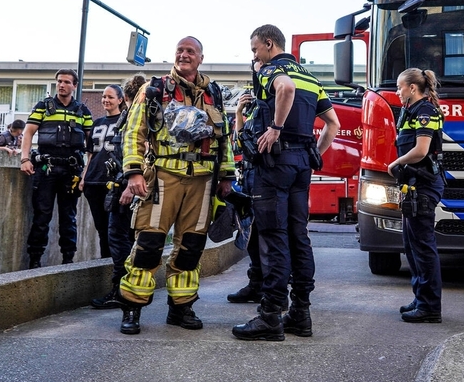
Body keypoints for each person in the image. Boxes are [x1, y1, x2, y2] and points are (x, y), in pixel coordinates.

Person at [118, 37, 235, 334]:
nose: (184, 55)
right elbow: (134, 132)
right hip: (162, 177)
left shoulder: (214, 93)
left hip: (203, 181)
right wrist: (133, 174)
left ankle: (181, 308)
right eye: (180, 51)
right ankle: (132, 307)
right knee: (149, 244)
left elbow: (224, 141)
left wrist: (226, 177)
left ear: (200, 58)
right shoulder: (154, 89)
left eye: (190, 51)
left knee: (191, 247)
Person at [232, 25, 339, 341]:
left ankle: (270, 317)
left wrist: (276, 128)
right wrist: (312, 154)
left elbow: (286, 89)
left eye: (255, 50)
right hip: (301, 164)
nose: (255, 56)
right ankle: (300, 314)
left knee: (273, 237)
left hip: (274, 165)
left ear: (268, 44)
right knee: (299, 234)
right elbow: (332, 123)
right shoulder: (311, 76)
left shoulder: (272, 70)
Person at [387, 68, 445, 323]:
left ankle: (430, 307)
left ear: (412, 88)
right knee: (411, 246)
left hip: (424, 184)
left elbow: (421, 150)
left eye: (400, 87)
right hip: (414, 185)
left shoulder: (425, 111)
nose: (397, 92)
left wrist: (395, 163)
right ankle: (420, 298)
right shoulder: (411, 111)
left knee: (422, 247)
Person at [19, 70, 93, 269]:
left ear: (74, 86)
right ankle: (35, 260)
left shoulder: (83, 110)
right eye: (59, 81)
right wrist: (24, 158)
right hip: (46, 168)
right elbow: (28, 133)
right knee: (42, 216)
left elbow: (91, 145)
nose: (61, 85)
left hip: (71, 171)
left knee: (68, 217)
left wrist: (86, 172)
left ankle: (68, 261)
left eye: (66, 82)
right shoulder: (43, 106)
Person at [91, 74, 147, 309]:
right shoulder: (134, 115)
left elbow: (139, 151)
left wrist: (127, 187)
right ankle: (124, 290)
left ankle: (121, 291)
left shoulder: (135, 117)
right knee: (122, 239)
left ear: (125, 97)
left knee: (119, 240)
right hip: (124, 185)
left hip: (126, 187)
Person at [226, 61, 264, 305]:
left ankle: (272, 289)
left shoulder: (270, 102)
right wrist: (239, 112)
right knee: (251, 233)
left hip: (265, 176)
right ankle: (256, 284)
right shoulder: (253, 106)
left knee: (269, 237)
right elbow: (240, 142)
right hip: (248, 176)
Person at [81, 84, 124, 259]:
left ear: (120, 100)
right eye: (104, 97)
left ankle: (116, 266)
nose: (106, 100)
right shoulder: (97, 123)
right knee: (101, 228)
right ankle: (104, 263)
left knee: (115, 229)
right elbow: (91, 154)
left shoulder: (125, 122)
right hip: (93, 182)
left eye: (110, 97)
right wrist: (84, 177)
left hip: (114, 183)